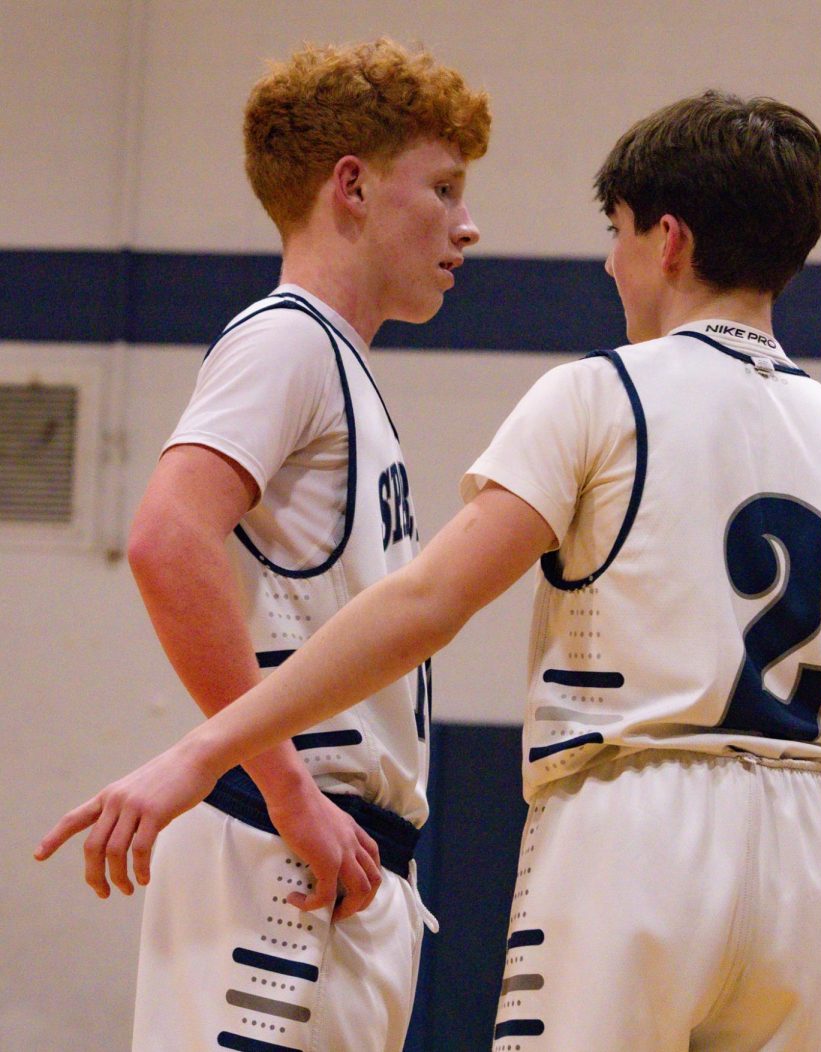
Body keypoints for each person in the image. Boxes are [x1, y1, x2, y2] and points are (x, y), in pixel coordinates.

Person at [39, 90, 821, 1051]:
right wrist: (805, 939)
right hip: (800, 850)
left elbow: (427, 602)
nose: (609, 262)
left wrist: (198, 750)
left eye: (615, 233)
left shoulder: (603, 391)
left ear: (666, 241)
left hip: (635, 828)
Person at [37, 39, 488, 1052]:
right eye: (446, 187)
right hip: (276, 837)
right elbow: (164, 535)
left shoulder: (339, 362)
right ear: (354, 187)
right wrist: (286, 788)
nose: (467, 224)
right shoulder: (285, 339)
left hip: (337, 850)